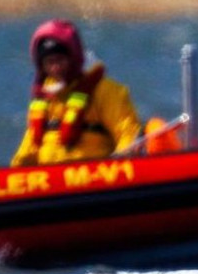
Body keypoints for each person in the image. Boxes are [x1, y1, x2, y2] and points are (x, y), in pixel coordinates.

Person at [11, 19, 142, 167]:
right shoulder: (43, 99)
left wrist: (121, 161)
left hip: (95, 177)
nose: (55, 68)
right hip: (50, 180)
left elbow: (127, 132)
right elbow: (29, 148)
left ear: (73, 58)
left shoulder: (105, 90)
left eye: (60, 60)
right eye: (49, 62)